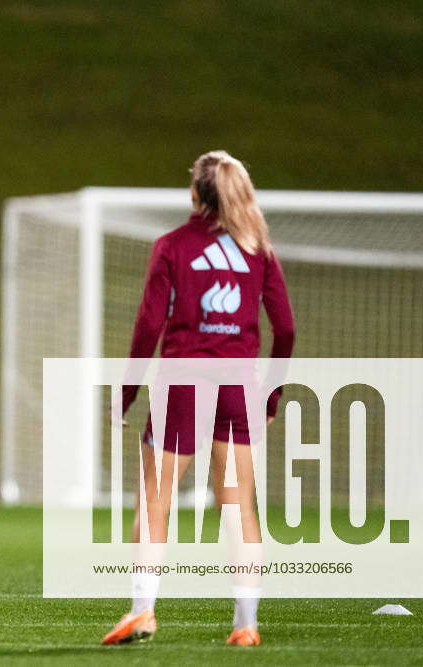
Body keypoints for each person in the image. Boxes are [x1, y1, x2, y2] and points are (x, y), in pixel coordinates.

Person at [100, 151, 295, 647]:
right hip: (237, 389)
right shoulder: (259, 250)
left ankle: (143, 612)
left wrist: (124, 394)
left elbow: (148, 326)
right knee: (238, 507)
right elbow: (287, 330)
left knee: (155, 502)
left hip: (183, 386)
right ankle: (246, 625)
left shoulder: (172, 246)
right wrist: (269, 397)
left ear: (194, 193)